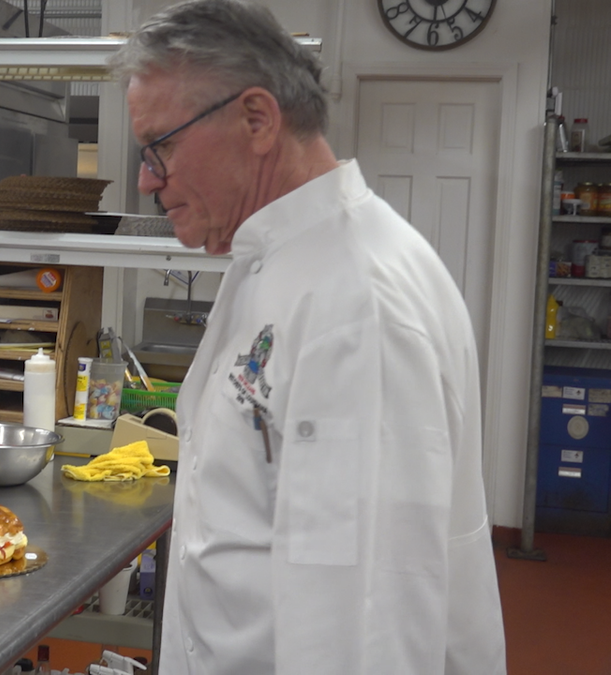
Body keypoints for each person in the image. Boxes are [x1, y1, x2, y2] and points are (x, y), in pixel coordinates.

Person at [110, 1, 506, 672]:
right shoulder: (276, 261)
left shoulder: (358, 306)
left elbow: (362, 628)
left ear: (257, 119)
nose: (148, 178)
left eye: (161, 146)